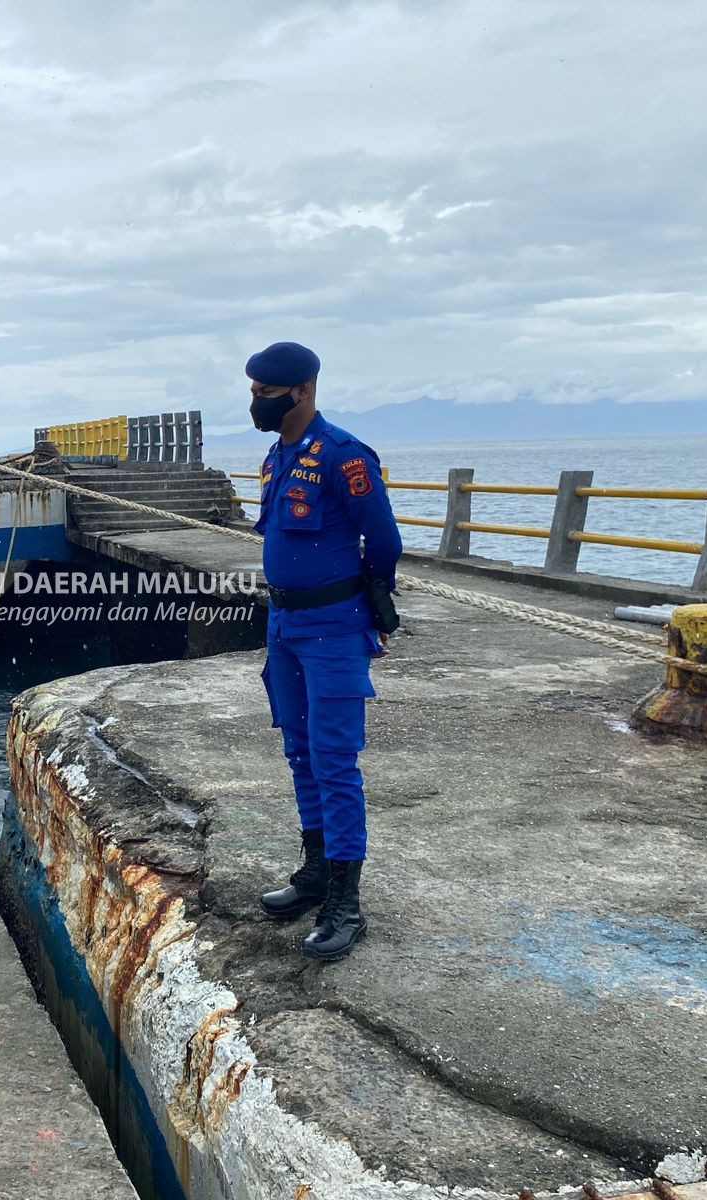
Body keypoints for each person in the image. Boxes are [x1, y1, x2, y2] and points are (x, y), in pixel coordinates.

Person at [248, 342, 402, 963]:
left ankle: (346, 900)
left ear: (302, 390)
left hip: (333, 628)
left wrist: (373, 604)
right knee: (298, 749)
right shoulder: (277, 454)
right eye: (254, 391)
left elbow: (383, 538)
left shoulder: (344, 456)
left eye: (266, 393)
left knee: (335, 760)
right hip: (282, 623)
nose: (257, 402)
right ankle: (315, 871)